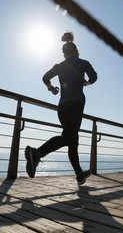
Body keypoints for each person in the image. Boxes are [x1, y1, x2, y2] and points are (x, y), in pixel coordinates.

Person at [25, 32, 98, 185]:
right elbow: (94, 77)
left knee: (73, 140)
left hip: (62, 108)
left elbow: (45, 78)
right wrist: (85, 83)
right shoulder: (83, 63)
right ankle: (36, 153)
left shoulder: (59, 66)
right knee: (68, 137)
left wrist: (51, 89)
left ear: (64, 55)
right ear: (76, 52)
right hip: (76, 105)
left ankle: (79, 174)